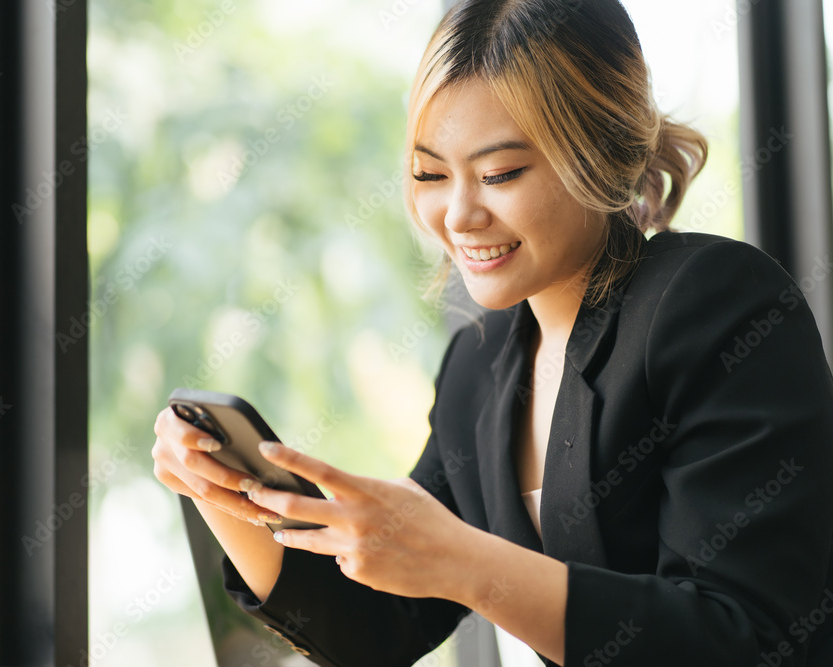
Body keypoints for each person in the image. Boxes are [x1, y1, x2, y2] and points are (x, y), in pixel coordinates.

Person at [151, 1, 833, 665]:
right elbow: (379, 629)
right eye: (429, 174)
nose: (458, 214)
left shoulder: (714, 301)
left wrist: (469, 562)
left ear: (599, 151)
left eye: (501, 173)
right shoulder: (478, 366)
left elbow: (747, 635)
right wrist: (234, 499)